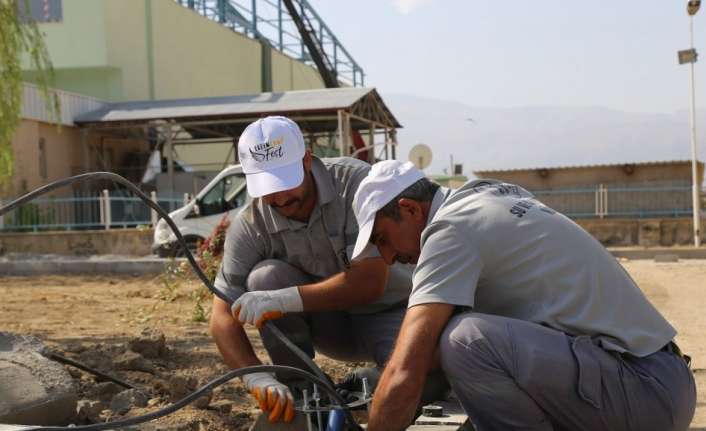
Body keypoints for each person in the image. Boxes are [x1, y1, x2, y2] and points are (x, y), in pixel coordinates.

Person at [351, 160, 696, 431]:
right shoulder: (490, 197)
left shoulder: (450, 229)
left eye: (382, 239)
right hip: (660, 381)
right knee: (452, 338)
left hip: (642, 394)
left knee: (465, 341)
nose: (387, 257)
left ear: (410, 210)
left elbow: (405, 369)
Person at [209, 116, 422, 423]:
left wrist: (282, 300)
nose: (280, 198)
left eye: (285, 182)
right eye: (268, 188)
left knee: (419, 382)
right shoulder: (251, 224)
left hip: (390, 314)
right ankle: (305, 393)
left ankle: (367, 382)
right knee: (265, 277)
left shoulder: (355, 184)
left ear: (307, 160)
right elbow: (221, 318)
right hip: (330, 327)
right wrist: (255, 376)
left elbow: (369, 284)